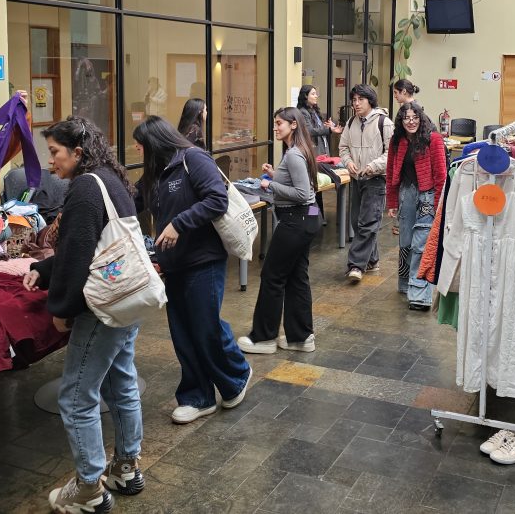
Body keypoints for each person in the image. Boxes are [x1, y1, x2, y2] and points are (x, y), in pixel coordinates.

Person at [22, 117, 144, 513]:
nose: (51, 161)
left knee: (76, 397)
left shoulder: (86, 188)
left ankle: (89, 489)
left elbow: (78, 256)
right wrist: (44, 269)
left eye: (55, 152)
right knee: (120, 382)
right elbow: (94, 245)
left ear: (77, 152)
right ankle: (126, 468)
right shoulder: (110, 178)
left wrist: (62, 309)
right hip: (127, 298)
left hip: (100, 308)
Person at [133, 117, 252, 424]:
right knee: (183, 332)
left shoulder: (193, 159)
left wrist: (178, 224)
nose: (137, 150)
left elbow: (217, 199)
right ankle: (197, 396)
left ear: (155, 141)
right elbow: (131, 201)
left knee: (205, 326)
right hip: (173, 264)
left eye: (140, 144)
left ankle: (237, 374)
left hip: (203, 260)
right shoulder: (154, 173)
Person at [238, 107, 321, 354]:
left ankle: (263, 338)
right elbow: (304, 188)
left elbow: (302, 194)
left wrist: (269, 184)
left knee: (272, 276)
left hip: (296, 220)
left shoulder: (294, 154)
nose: (275, 128)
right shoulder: (300, 150)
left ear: (293, 125)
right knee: (296, 277)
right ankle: (301, 338)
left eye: (279, 123)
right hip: (308, 218)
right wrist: (276, 175)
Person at [385, 101, 445, 311]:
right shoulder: (396, 141)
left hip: (427, 196)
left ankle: (419, 295)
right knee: (406, 241)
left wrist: (438, 205)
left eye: (415, 117)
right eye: (406, 118)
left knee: (421, 244)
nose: (411, 122)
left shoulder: (433, 139)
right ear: (401, 121)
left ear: (421, 118)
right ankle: (405, 284)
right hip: (406, 194)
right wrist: (392, 202)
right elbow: (391, 172)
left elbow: (441, 175)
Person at [339, 84, 394, 282]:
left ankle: (356, 265)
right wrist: (348, 162)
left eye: (360, 99)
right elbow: (343, 147)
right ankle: (372, 260)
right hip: (356, 179)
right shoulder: (351, 122)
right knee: (357, 222)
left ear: (370, 100)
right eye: (354, 100)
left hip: (376, 179)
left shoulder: (384, 123)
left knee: (368, 223)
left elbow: (392, 153)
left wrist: (372, 166)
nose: (356, 103)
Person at [296, 85, 340, 155]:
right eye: (313, 94)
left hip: (323, 146)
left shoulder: (314, 111)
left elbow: (318, 128)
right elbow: (310, 131)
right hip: (314, 149)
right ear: (306, 96)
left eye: (316, 94)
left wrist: (328, 126)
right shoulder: (303, 112)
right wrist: (329, 130)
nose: (316, 96)